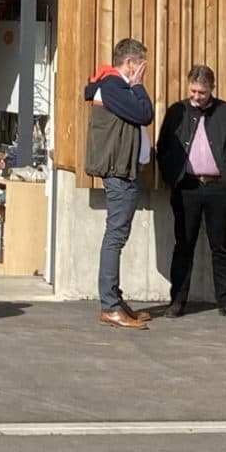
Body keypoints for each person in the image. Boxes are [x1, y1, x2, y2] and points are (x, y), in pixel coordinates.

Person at [157, 65, 226, 319]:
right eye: (193, 91)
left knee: (221, 246)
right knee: (183, 245)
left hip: (219, 187)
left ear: (212, 89)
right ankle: (177, 301)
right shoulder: (177, 111)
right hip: (187, 186)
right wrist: (171, 175)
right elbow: (163, 145)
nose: (197, 96)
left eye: (202, 92)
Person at [81, 38, 155, 330]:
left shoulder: (113, 86)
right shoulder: (114, 86)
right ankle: (110, 306)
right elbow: (144, 114)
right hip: (119, 173)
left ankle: (115, 300)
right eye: (142, 64)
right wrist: (137, 86)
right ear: (129, 63)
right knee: (115, 236)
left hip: (125, 170)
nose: (144, 70)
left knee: (116, 236)